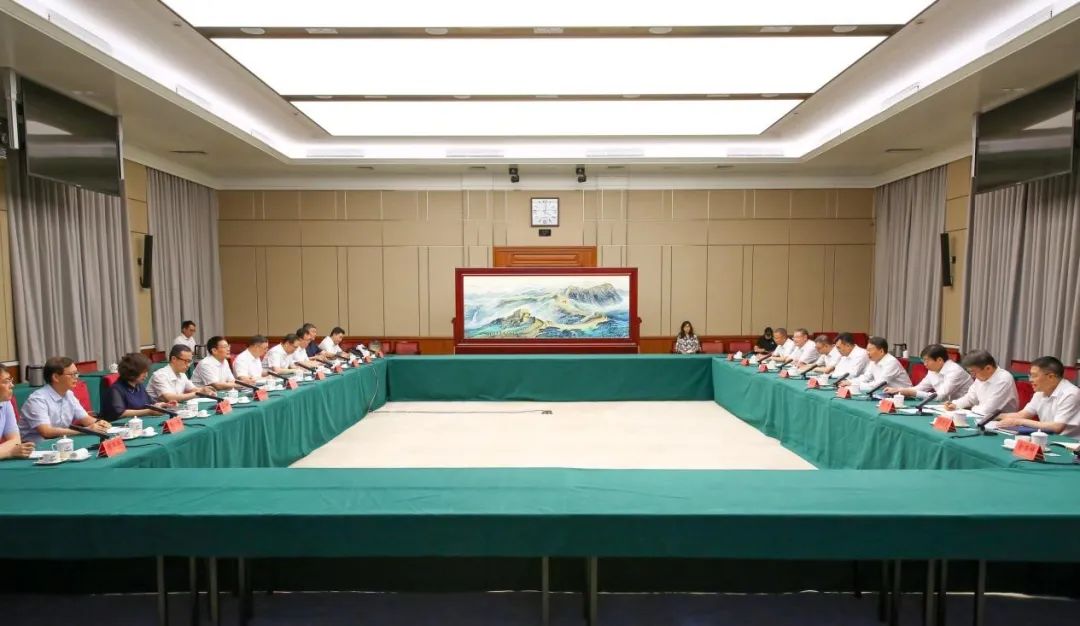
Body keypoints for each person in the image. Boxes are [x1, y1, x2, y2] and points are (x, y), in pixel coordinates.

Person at [18, 357, 109, 442]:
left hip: (60, 442)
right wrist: (86, 430)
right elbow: (47, 432)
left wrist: (100, 423)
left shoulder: (69, 394)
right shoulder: (37, 400)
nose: (76, 377)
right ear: (56, 377)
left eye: (76, 374)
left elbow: (86, 419)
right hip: (35, 447)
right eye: (72, 374)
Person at [994, 356, 1077, 435]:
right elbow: (1022, 415)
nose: (1030, 380)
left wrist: (1018, 421)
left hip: (1070, 442)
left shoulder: (1070, 393)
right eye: (1030, 376)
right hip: (1047, 437)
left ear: (1051, 377)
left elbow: (1057, 427)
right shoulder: (1040, 392)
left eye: (1034, 376)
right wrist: (994, 416)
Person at [886, 344, 972, 402]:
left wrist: (910, 392)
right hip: (947, 406)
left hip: (965, 410)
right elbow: (920, 388)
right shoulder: (932, 370)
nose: (925, 364)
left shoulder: (955, 371)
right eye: (923, 361)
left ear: (939, 360)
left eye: (927, 361)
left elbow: (940, 396)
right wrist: (900, 390)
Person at [943, 350, 1018, 416]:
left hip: (1002, 423)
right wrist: (955, 404)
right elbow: (970, 398)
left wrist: (972, 408)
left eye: (973, 372)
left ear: (988, 368)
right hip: (981, 416)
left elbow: (987, 411)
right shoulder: (981, 377)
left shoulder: (1003, 379)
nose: (972, 376)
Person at [101, 353, 170, 421]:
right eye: (143, 372)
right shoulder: (115, 390)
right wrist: (148, 412)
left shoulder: (139, 385)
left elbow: (148, 404)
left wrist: (159, 405)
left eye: (146, 372)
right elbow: (120, 413)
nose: (146, 375)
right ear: (132, 372)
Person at [839, 336, 911, 392]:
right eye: (867, 350)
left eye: (870, 350)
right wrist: (850, 382)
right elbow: (866, 377)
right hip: (886, 393)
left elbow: (879, 384)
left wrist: (854, 385)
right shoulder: (873, 361)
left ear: (881, 351)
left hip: (904, 397)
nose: (867, 353)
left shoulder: (891, 362)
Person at [147, 345, 214, 403]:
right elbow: (169, 398)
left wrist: (205, 390)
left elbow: (193, 389)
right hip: (156, 412)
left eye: (190, 362)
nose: (188, 365)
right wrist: (199, 393)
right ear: (174, 359)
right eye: (186, 361)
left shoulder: (182, 374)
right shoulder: (160, 375)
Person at [0, 369, 34, 459]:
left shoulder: (5, 402)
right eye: (6, 381)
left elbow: (15, 440)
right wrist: (9, 452)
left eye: (11, 380)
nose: (12, 385)